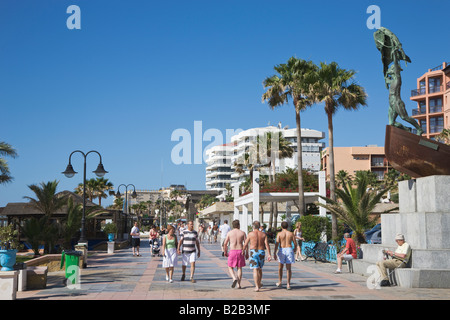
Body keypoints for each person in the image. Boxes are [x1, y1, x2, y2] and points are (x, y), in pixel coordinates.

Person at [243, 221, 272, 292]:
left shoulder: (250, 234)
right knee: (260, 268)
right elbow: (267, 244)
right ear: (259, 226)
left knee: (255, 269)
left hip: (253, 252)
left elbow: (246, 243)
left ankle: (257, 286)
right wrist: (269, 254)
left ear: (253, 226)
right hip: (261, 252)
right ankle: (259, 283)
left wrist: (243, 251)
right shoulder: (263, 234)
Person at [223, 220, 247, 289]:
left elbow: (225, 243)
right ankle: (239, 285)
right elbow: (245, 243)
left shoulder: (230, 233)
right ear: (239, 225)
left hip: (232, 251)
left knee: (230, 266)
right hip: (240, 251)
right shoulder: (242, 233)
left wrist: (225, 251)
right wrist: (246, 252)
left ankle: (234, 278)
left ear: (232, 225)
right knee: (239, 268)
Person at [273, 221, 297, 290]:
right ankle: (288, 284)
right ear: (287, 226)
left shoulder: (279, 234)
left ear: (281, 227)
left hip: (282, 249)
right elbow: (295, 243)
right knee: (288, 268)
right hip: (289, 249)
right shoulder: (291, 233)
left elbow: (277, 243)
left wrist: (274, 252)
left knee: (280, 267)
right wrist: (294, 249)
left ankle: (280, 282)